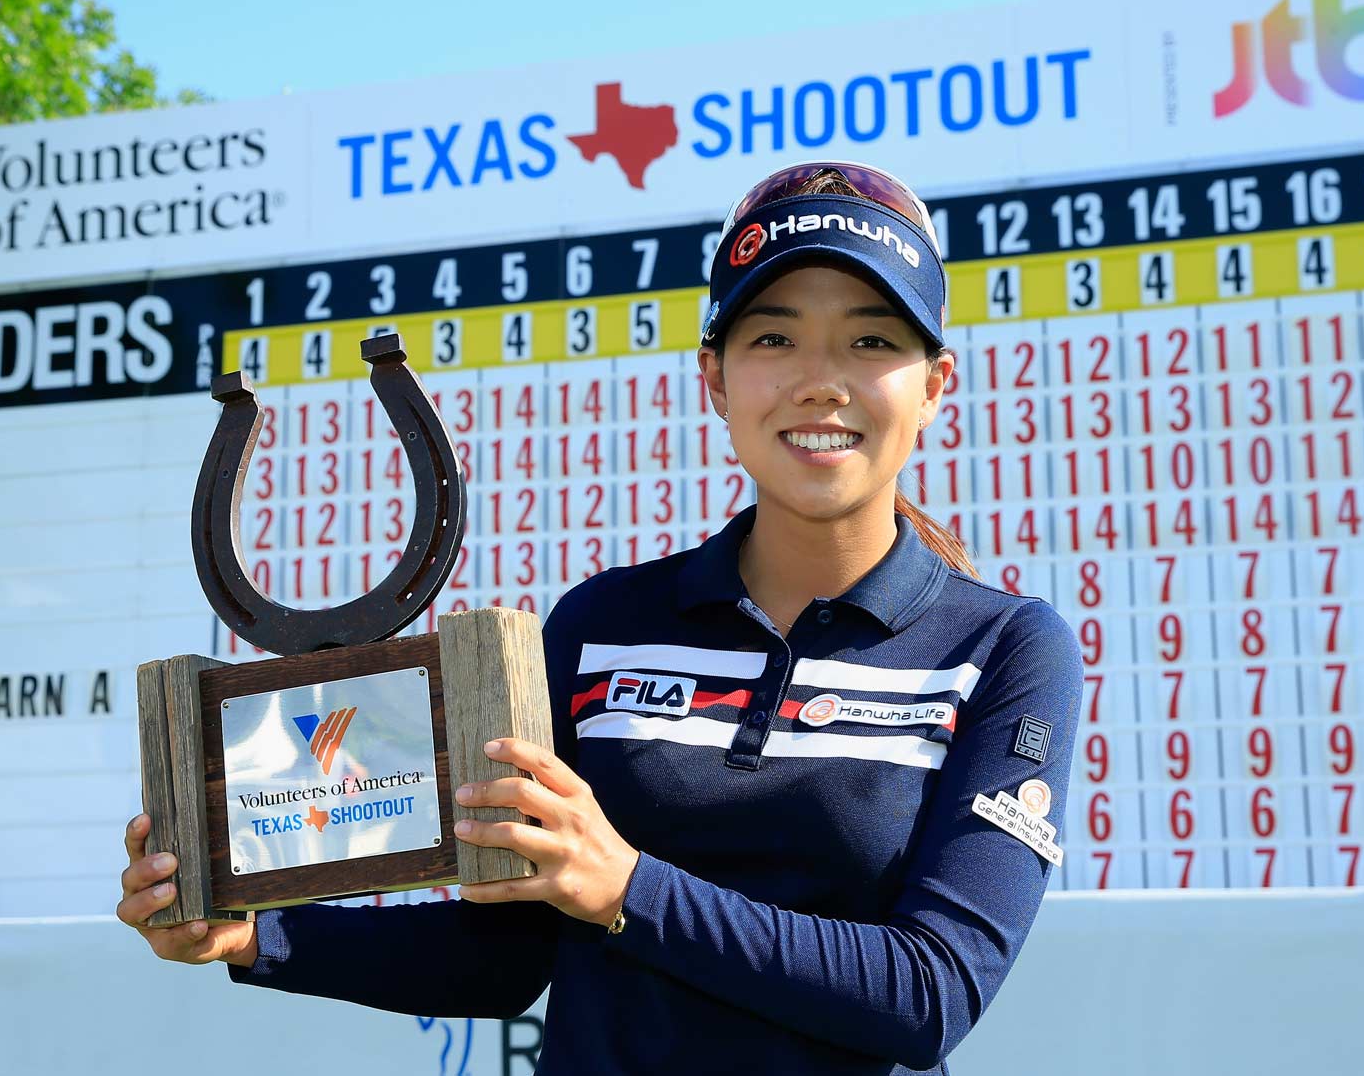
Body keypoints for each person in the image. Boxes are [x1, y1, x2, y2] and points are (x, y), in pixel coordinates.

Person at [116, 159, 1084, 1075]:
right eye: (772, 336)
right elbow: (511, 952)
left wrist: (625, 887)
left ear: (933, 387)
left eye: (871, 339)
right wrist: (253, 933)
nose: (819, 378)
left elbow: (928, 994)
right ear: (715, 379)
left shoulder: (1002, 646)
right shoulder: (601, 620)